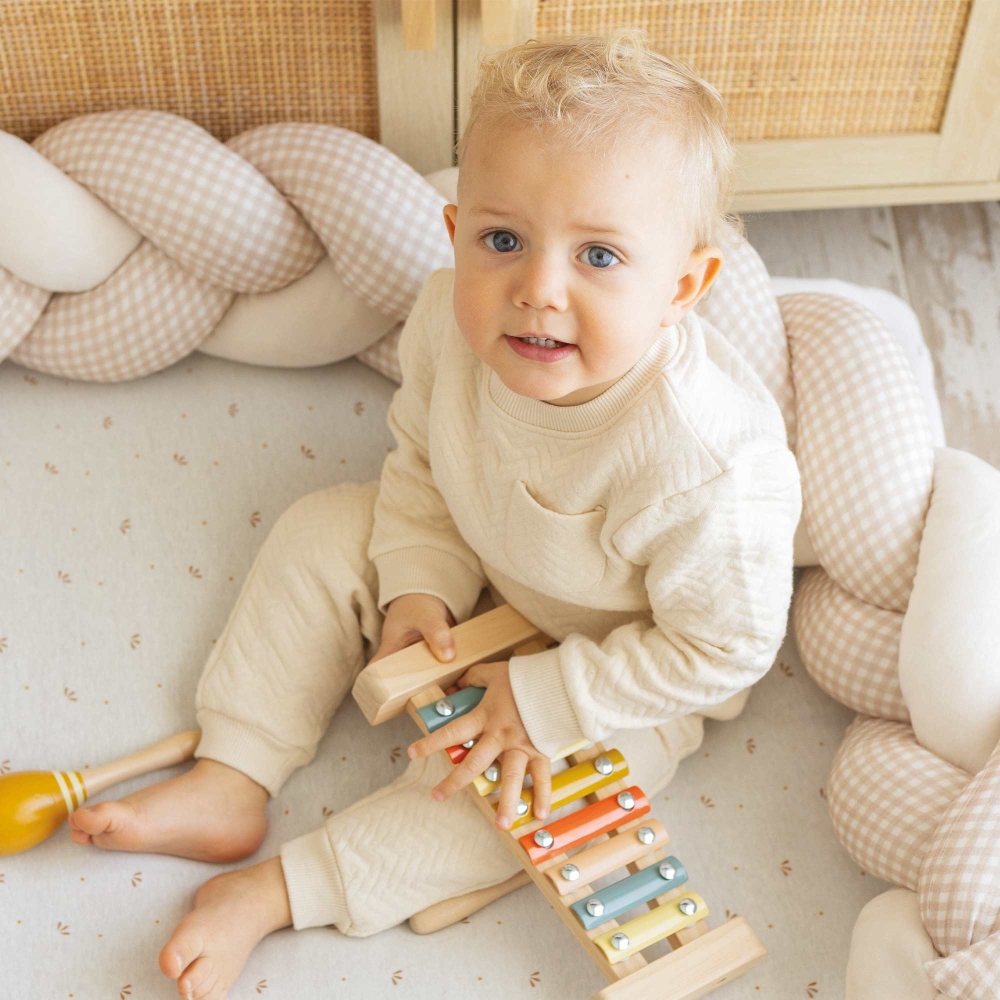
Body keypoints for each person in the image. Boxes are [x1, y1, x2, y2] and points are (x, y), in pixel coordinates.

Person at [65, 26, 802, 1000]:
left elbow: (722, 649)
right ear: (457, 232)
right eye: (504, 239)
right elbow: (421, 463)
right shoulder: (450, 317)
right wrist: (418, 581)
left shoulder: (704, 466)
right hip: (495, 553)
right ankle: (234, 770)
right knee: (325, 525)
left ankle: (281, 887)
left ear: (681, 288)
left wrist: (548, 701)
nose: (536, 290)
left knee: (513, 796)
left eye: (598, 255)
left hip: (629, 658)